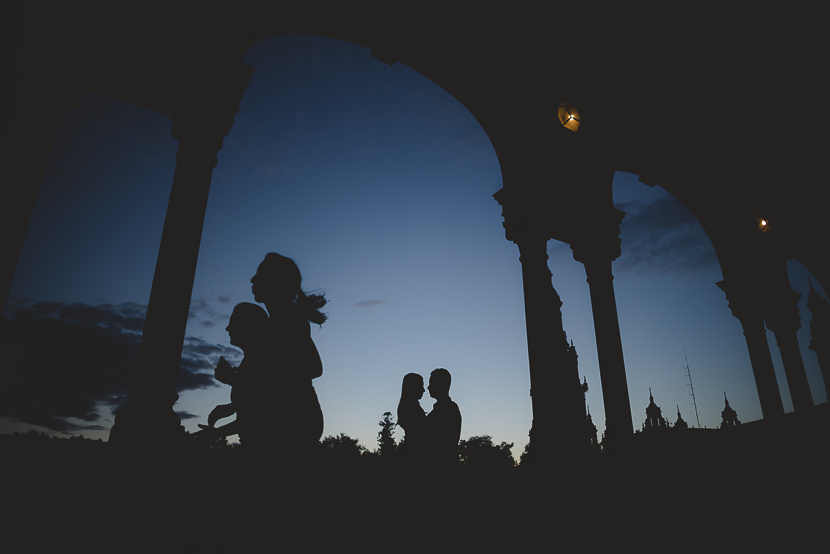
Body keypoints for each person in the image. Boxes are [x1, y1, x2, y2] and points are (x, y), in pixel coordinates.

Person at [247, 252, 327, 458]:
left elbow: (314, 367)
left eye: (260, 275)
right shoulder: (283, 317)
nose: (253, 280)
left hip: (293, 421)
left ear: (275, 281)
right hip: (294, 419)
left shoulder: (287, 317)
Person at [193, 302, 268, 443]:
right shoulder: (252, 359)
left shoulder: (263, 359)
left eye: (234, 323)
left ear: (249, 327)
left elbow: (262, 414)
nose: (228, 328)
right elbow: (254, 403)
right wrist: (232, 406)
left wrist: (233, 380)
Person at [425, 368, 462, 469]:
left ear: (440, 385)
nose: (428, 387)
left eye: (431, 383)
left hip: (443, 468)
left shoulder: (448, 410)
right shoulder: (446, 409)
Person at [396, 373, 427, 464]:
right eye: (421, 386)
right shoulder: (412, 408)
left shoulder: (406, 407)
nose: (423, 390)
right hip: (414, 456)